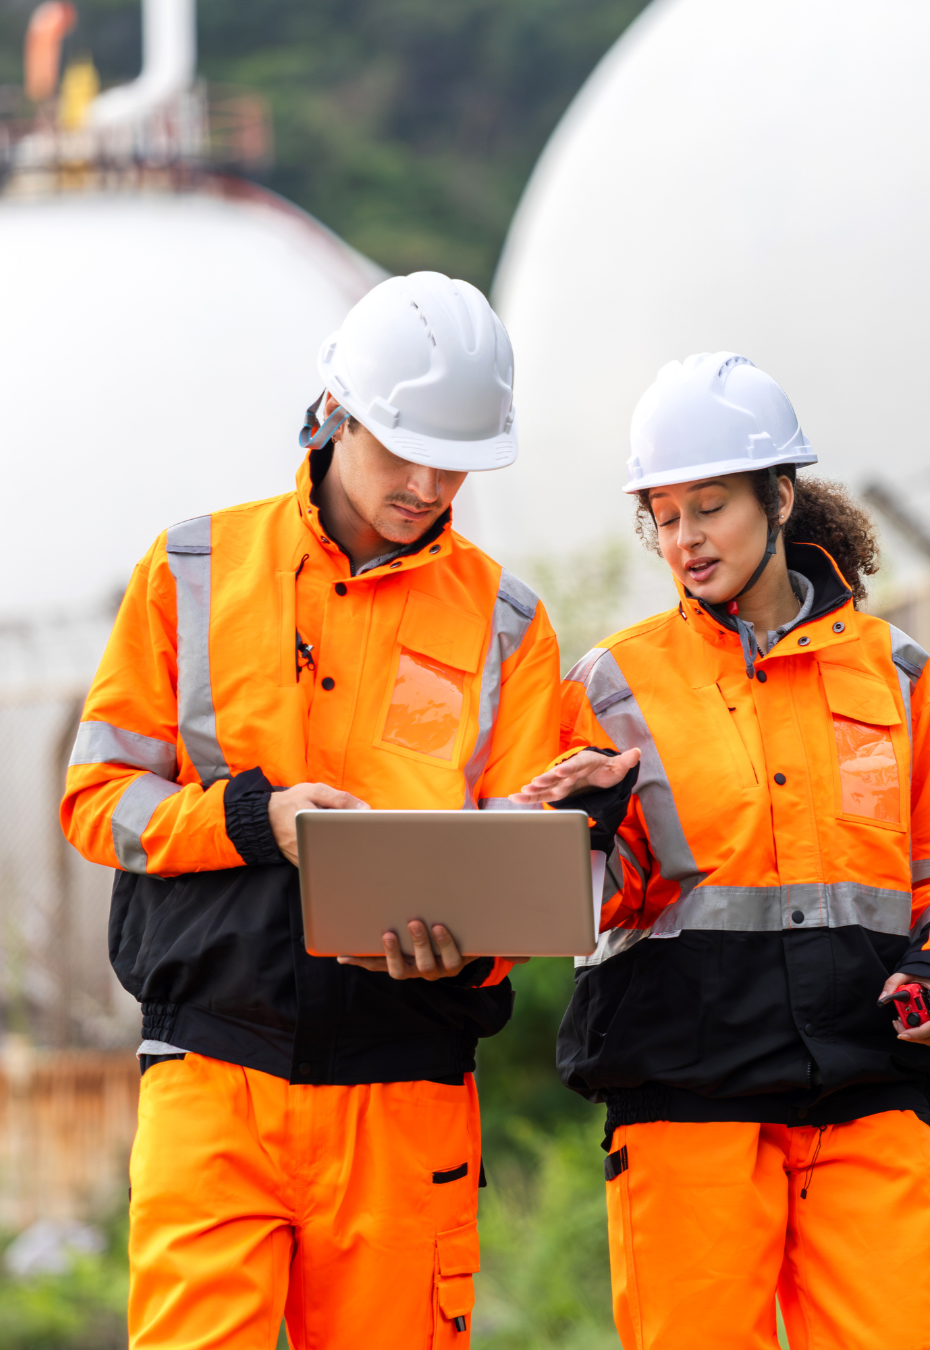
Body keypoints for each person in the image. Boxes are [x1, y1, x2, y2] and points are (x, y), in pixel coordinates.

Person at [62, 272, 561, 1350]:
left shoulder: (509, 625)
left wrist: (470, 956)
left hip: (405, 1091)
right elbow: (100, 801)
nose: (428, 484)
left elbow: (531, 862)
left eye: (455, 460)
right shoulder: (192, 571)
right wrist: (257, 819)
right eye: (402, 449)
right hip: (215, 1075)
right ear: (335, 413)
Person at [513, 353, 930, 1350]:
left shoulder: (897, 677)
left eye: (710, 508)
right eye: (665, 516)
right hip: (689, 1108)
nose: (684, 540)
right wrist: (590, 828)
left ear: (780, 498)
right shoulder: (612, 688)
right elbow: (584, 907)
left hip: (865, 1093)